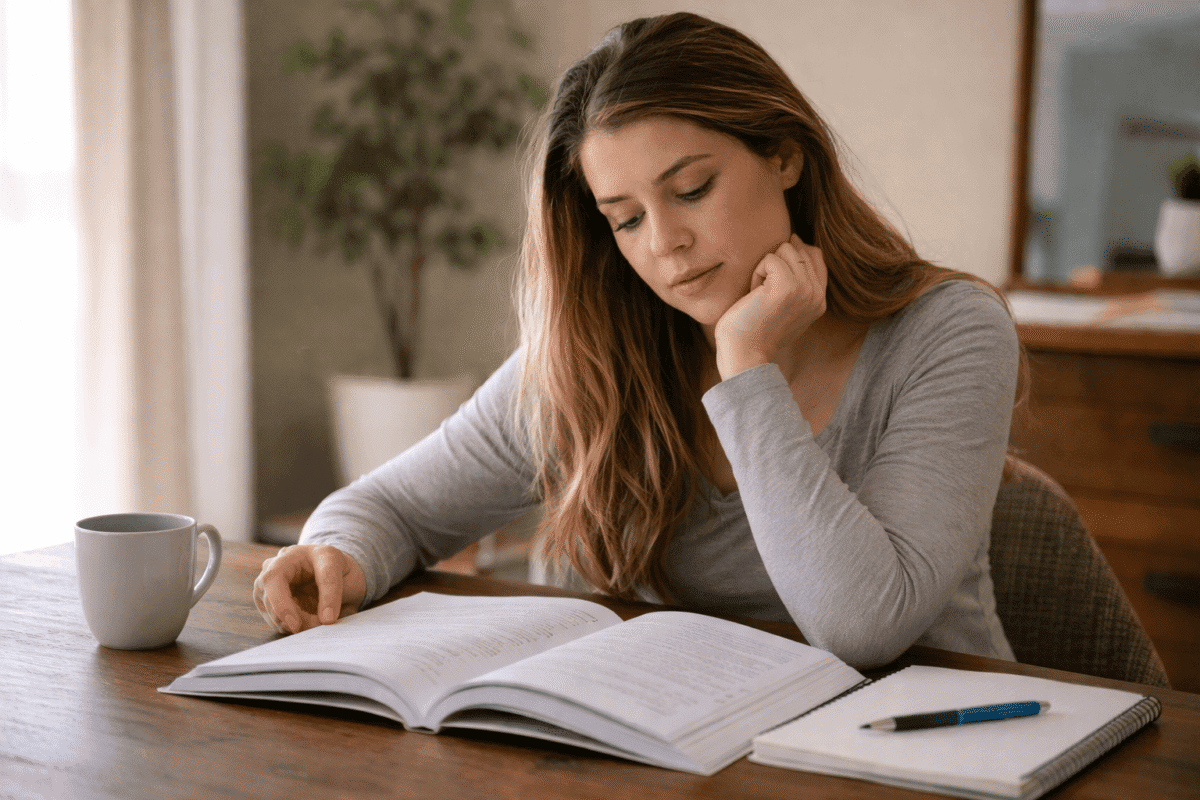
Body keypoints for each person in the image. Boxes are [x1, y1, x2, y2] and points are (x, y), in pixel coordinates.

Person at [254, 12, 1021, 669]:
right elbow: (393, 506)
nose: (666, 244)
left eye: (691, 191)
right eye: (625, 218)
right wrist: (336, 555)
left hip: (924, 753)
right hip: (695, 754)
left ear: (784, 155)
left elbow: (862, 626)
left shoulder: (947, 332)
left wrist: (746, 366)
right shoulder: (602, 348)